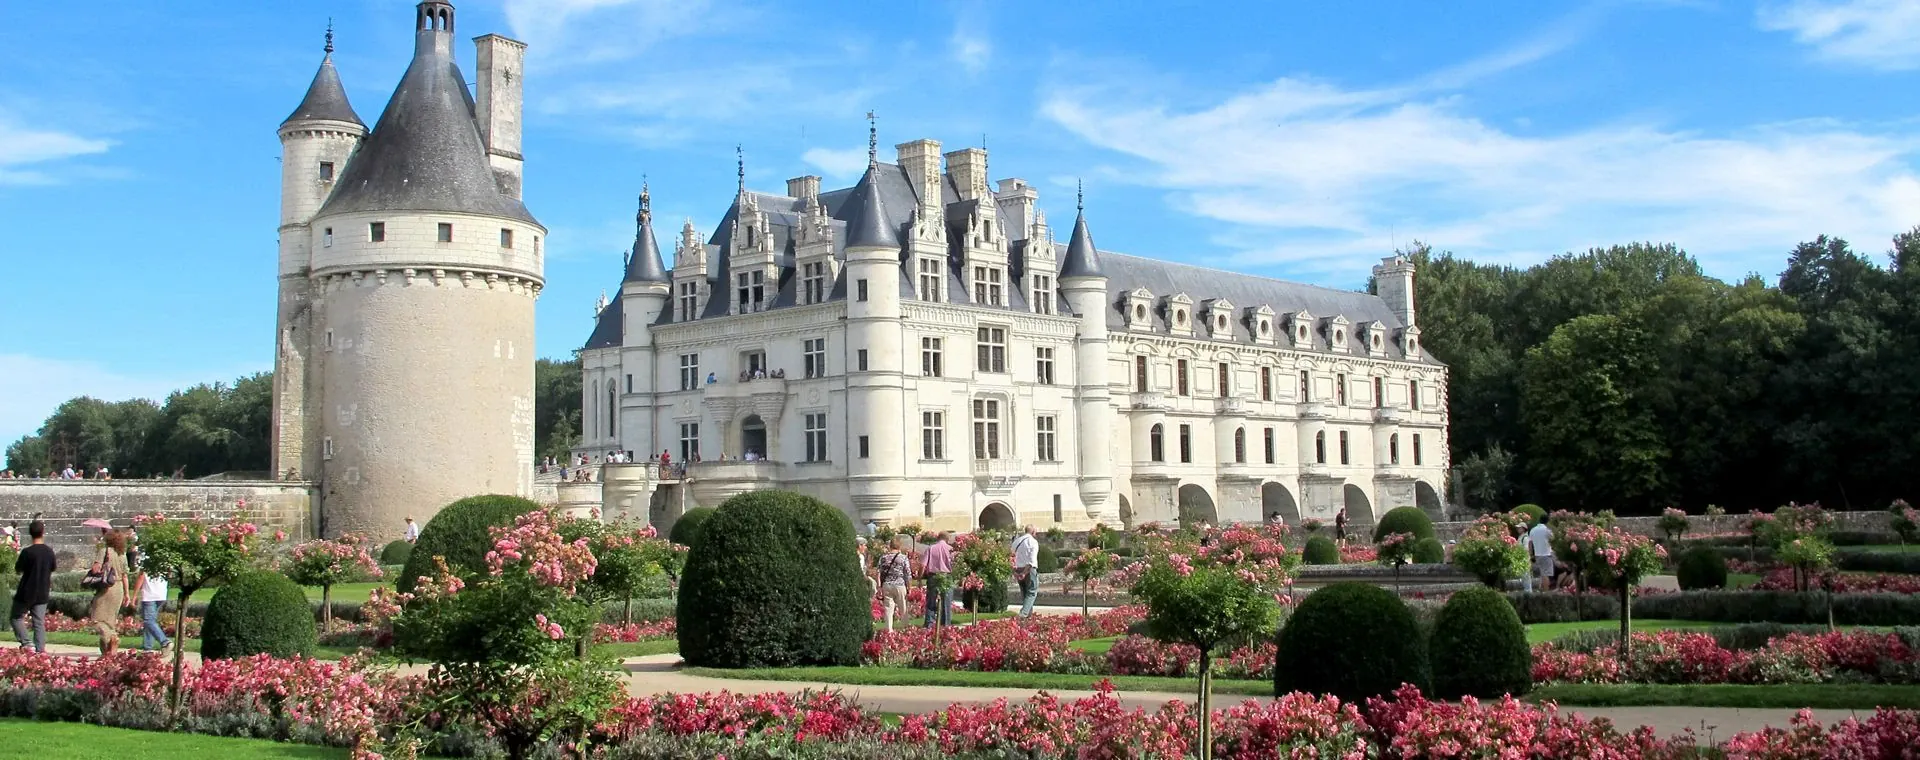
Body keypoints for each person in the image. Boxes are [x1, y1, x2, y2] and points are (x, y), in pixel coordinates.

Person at [11, 518, 55, 652]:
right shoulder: (49, 551)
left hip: (26, 590)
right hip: (42, 590)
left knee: (16, 617)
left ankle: (27, 642)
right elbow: (53, 568)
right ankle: (41, 650)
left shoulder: (27, 552)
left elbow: (18, 569)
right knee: (38, 622)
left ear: (30, 533)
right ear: (43, 532)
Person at [88, 530, 132, 655]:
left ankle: (112, 638)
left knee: (97, 620)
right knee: (110, 621)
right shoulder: (122, 554)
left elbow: (95, 569)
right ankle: (107, 652)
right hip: (118, 588)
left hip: (106, 587)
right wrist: (127, 594)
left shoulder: (104, 551)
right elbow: (125, 576)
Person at [131, 552, 171, 651]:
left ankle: (165, 642)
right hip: (161, 593)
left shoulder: (146, 557)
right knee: (151, 621)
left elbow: (141, 576)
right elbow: (169, 574)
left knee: (148, 621)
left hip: (150, 594)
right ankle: (147, 647)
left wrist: (134, 595)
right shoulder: (165, 556)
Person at [876, 537, 911, 632]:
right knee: (903, 607)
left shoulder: (883, 558)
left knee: (888, 608)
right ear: (899, 546)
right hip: (900, 584)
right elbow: (908, 574)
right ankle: (906, 628)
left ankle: (889, 629)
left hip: (887, 584)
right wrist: (909, 587)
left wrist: (879, 586)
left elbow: (878, 572)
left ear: (890, 546)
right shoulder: (903, 558)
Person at [921, 531, 955, 628]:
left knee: (931, 601)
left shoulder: (931, 548)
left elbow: (923, 565)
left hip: (933, 575)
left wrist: (919, 578)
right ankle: (946, 624)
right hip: (947, 576)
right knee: (946, 601)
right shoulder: (951, 550)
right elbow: (955, 565)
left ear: (938, 538)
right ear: (947, 539)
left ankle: (929, 623)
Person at [1011, 525, 1041, 618]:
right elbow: (1032, 560)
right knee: (1032, 591)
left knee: (1024, 592)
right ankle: (1023, 613)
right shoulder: (1033, 542)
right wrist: (1024, 572)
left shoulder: (1016, 541)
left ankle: (1028, 614)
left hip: (1018, 568)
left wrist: (1015, 572)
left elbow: (1011, 557)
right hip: (1028, 569)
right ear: (1033, 532)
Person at [1525, 515, 1554, 593]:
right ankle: (1546, 592)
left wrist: (1531, 554)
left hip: (1537, 555)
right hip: (1546, 554)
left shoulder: (1533, 530)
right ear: (1547, 521)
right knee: (1546, 574)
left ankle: (1541, 589)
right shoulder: (1547, 530)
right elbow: (1553, 540)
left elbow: (1530, 543)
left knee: (1542, 573)